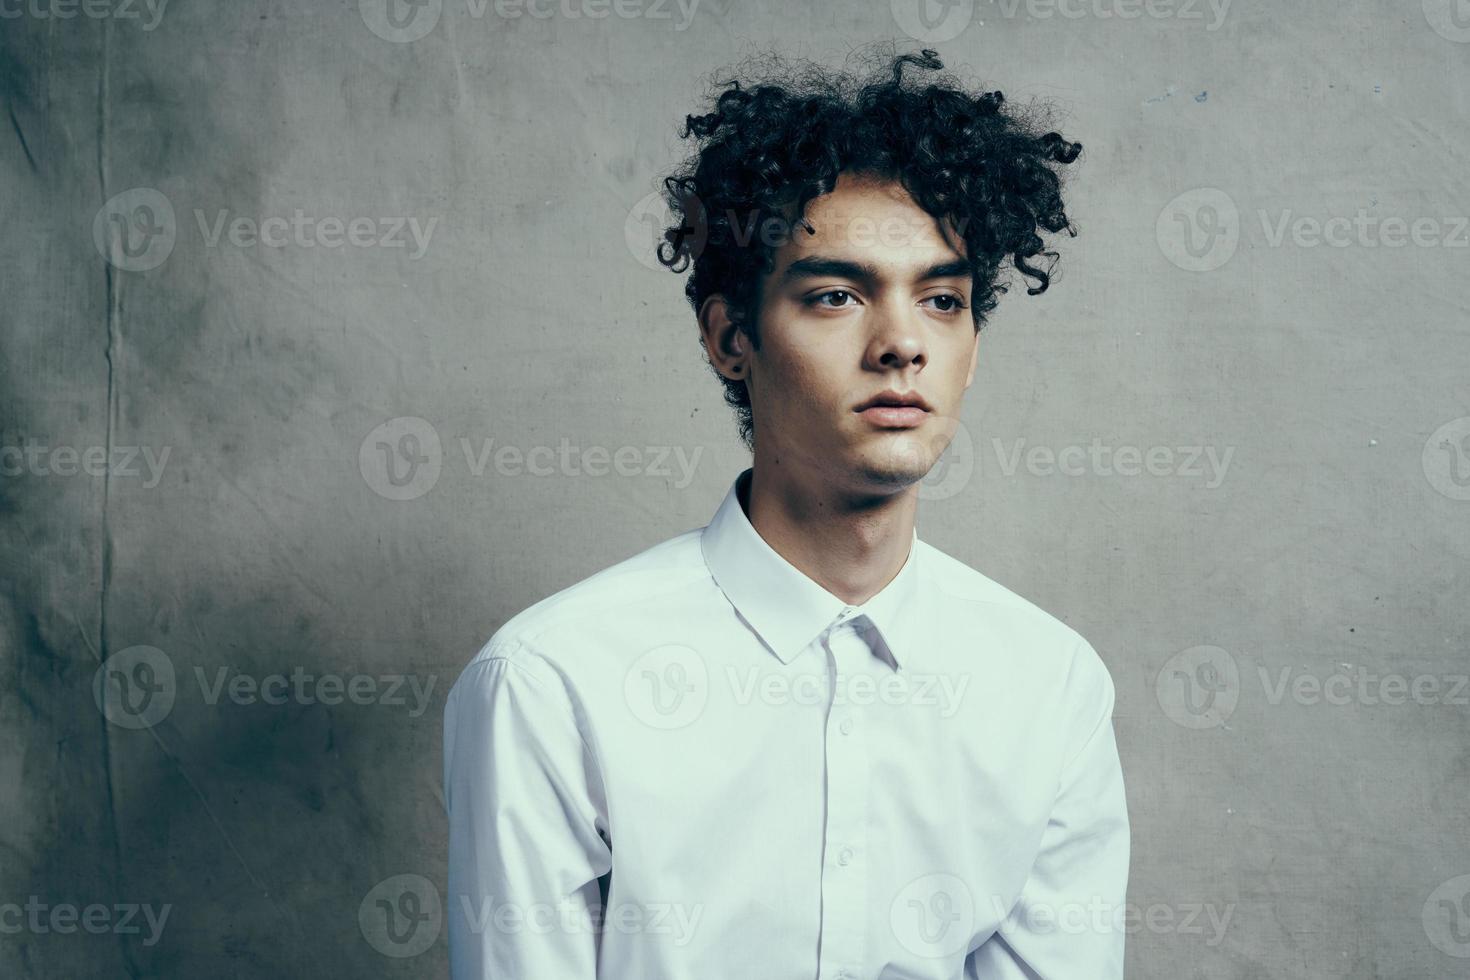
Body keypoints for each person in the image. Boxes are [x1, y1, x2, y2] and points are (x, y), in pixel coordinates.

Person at [444, 45, 1130, 979]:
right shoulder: (551, 685)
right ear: (732, 339)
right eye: (837, 296)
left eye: (942, 300)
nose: (900, 345)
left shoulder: (1050, 686)